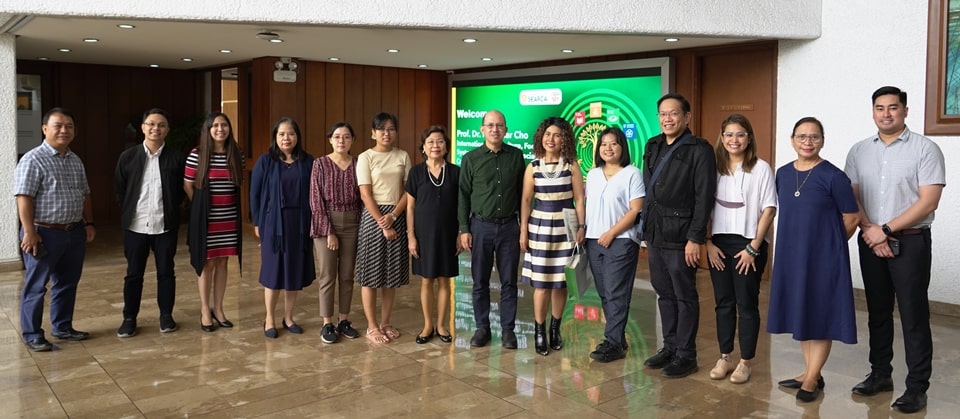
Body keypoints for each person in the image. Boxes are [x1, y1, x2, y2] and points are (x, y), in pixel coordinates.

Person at [845, 86, 945, 414]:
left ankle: (917, 387)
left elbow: (929, 200)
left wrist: (885, 230)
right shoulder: (859, 151)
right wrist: (872, 231)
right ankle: (880, 374)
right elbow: (853, 198)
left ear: (905, 110)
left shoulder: (925, 149)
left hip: (911, 242)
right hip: (870, 239)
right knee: (877, 312)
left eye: (892, 107)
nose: (886, 113)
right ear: (872, 111)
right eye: (879, 108)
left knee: (913, 316)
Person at [767, 117, 860, 403]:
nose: (808, 142)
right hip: (792, 257)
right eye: (802, 136)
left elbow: (852, 217)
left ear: (823, 140)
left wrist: (827, 246)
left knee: (819, 314)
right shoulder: (782, 174)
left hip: (823, 259)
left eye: (814, 137)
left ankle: (811, 377)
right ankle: (811, 371)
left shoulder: (834, 176)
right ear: (792, 139)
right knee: (803, 311)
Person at [641, 93, 716, 378]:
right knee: (664, 293)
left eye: (673, 114)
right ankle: (669, 347)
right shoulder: (653, 145)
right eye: (663, 114)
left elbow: (703, 196)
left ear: (687, 117)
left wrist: (695, 238)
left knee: (684, 295)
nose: (667, 119)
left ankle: (686, 354)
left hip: (682, 236)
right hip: (656, 233)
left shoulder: (700, 150)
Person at [14, 107, 96, 352]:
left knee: (67, 282)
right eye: (58, 125)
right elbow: (23, 197)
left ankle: (62, 326)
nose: (64, 130)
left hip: (73, 232)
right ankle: (32, 334)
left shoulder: (74, 159)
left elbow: (85, 194)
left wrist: (88, 223)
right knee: (36, 285)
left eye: (69, 126)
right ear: (44, 129)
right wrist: (29, 231)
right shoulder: (33, 159)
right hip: (44, 233)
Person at [704, 114, 777, 383]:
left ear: (749, 138)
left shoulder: (761, 168)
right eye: (729, 135)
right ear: (722, 138)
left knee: (746, 304)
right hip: (719, 244)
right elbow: (704, 208)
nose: (734, 140)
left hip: (749, 244)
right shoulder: (713, 168)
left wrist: (754, 248)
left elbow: (769, 209)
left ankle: (745, 361)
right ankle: (725, 357)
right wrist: (708, 243)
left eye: (740, 134)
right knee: (723, 303)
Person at [114, 108, 186, 337]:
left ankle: (166, 315)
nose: (156, 128)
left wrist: (172, 210)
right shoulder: (128, 157)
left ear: (167, 130)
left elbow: (181, 192)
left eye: (161, 125)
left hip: (165, 225)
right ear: (143, 127)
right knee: (133, 273)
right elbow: (120, 190)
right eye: (151, 124)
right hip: (136, 226)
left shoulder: (177, 157)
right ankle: (129, 318)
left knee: (166, 272)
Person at [458, 110, 526, 349]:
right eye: (490, 125)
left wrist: (524, 227)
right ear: (482, 129)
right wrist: (464, 229)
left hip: (509, 226)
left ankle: (508, 331)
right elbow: (463, 196)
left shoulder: (516, 157)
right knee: (480, 281)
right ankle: (482, 328)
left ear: (506, 129)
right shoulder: (471, 158)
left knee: (509, 282)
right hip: (480, 227)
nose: (495, 129)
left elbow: (523, 195)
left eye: (499, 125)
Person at [519, 117, 584, 356]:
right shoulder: (533, 166)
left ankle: (555, 329)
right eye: (547, 134)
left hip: (566, 226)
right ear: (541, 138)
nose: (551, 139)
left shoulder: (572, 165)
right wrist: (523, 229)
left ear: (564, 138)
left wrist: (581, 226)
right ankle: (539, 330)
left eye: (557, 135)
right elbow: (526, 200)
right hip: (540, 227)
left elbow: (579, 199)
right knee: (541, 283)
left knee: (560, 282)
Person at [251, 118, 316, 339]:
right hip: (273, 224)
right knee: (272, 271)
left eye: (290, 134)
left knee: (293, 270)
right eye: (281, 134)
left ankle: (288, 317)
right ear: (275, 137)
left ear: (297, 137)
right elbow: (255, 194)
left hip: (299, 223)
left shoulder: (307, 161)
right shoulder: (265, 161)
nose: (286, 138)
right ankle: (269, 317)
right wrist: (258, 222)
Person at [584, 127, 644, 363]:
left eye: (614, 143)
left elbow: (635, 210)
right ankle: (617, 338)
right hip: (593, 241)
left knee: (616, 292)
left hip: (620, 241)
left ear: (622, 147)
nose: (608, 148)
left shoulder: (632, 173)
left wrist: (611, 233)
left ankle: (612, 342)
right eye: (604, 144)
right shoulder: (593, 174)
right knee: (604, 293)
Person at [356, 112, 412, 344]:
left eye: (391, 129)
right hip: (372, 217)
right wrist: (382, 221)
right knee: (370, 275)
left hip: (396, 214)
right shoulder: (365, 157)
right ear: (373, 133)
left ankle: (386, 322)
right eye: (381, 129)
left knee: (391, 275)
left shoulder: (403, 155)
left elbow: (409, 190)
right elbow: (365, 193)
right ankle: (372, 326)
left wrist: (394, 215)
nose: (386, 133)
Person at [184, 112, 243, 333]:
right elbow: (188, 185)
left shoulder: (236, 154)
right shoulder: (197, 154)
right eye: (215, 125)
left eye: (224, 125)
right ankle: (205, 310)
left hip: (228, 219)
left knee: (223, 262)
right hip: (206, 219)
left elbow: (238, 185)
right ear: (208, 130)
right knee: (206, 263)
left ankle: (218, 309)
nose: (220, 129)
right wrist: (201, 209)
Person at [406, 125, 460, 344]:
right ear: (424, 147)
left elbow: (461, 206)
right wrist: (411, 236)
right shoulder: (416, 172)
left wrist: (460, 233)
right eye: (431, 142)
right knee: (427, 280)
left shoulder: (456, 172)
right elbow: (410, 207)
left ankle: (442, 325)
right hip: (424, 235)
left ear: (446, 146)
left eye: (440, 141)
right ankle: (428, 325)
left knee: (445, 281)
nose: (435, 146)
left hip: (448, 234)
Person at [311, 122, 362, 344]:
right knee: (327, 275)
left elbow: (364, 196)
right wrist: (328, 231)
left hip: (353, 223)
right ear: (330, 139)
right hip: (326, 224)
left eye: (346, 137)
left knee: (348, 275)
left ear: (352, 140)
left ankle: (344, 320)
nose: (341, 140)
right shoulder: (320, 164)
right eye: (337, 136)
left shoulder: (359, 164)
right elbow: (315, 200)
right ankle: (327, 323)